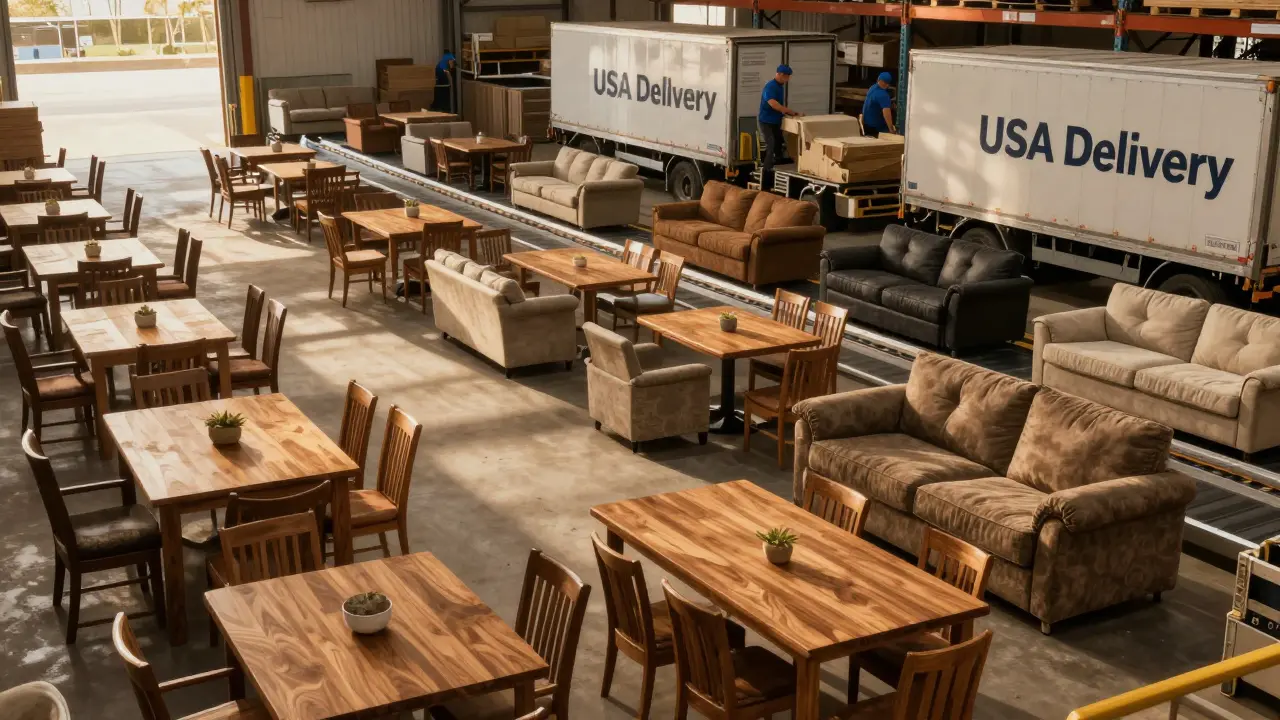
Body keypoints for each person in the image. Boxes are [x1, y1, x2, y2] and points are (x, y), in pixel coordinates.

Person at [758, 64, 802, 184]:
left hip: (776, 121)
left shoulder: (780, 86)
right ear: (780, 75)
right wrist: (788, 111)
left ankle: (778, 164)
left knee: (779, 144)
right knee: (771, 143)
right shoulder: (770, 86)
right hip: (766, 121)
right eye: (787, 76)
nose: (788, 79)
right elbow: (773, 103)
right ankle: (767, 172)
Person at [862, 71, 897, 137]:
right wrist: (891, 129)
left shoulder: (872, 88)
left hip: (866, 125)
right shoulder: (883, 95)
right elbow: (886, 113)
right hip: (876, 127)